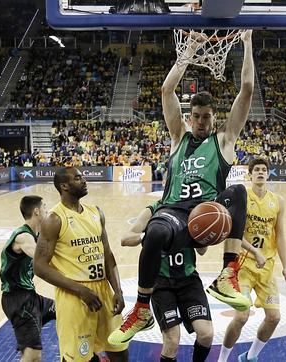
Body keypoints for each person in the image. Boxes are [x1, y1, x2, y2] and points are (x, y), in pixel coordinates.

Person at [108, 29, 255, 345]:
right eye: (196, 116)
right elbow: (166, 90)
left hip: (203, 215)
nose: (201, 121)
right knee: (157, 233)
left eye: (206, 117)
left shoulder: (224, 142)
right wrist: (187, 53)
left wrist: (247, 43)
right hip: (173, 215)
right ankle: (142, 308)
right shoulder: (178, 138)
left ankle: (228, 274)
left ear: (214, 119)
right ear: (190, 118)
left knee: (240, 192)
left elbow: (246, 89)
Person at [34, 167, 128, 362]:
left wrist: (117, 290)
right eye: (78, 178)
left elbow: (107, 255)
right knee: (78, 358)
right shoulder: (54, 219)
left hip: (103, 291)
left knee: (119, 350)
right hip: (74, 296)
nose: (84, 180)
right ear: (64, 186)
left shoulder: (96, 213)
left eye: (83, 177)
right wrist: (79, 289)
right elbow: (40, 266)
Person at [218, 158, 286, 362]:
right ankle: (223, 359)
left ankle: (250, 357)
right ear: (249, 174)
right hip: (243, 265)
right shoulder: (242, 197)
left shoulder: (278, 201)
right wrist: (255, 251)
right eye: (256, 170)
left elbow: (281, 235)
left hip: (266, 267)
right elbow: (234, 233)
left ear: (268, 174)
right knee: (241, 316)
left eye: (264, 170)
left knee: (274, 317)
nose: (260, 172)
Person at [121, 201, 213, 362]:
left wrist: (204, 229)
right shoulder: (153, 209)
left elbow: (202, 250)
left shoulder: (193, 208)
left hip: (188, 280)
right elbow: (125, 239)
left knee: (206, 334)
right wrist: (150, 237)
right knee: (172, 340)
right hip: (161, 282)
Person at [0, 196, 55, 362]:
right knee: (33, 356)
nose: (48, 210)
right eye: (45, 207)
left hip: (31, 297)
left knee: (66, 309)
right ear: (36, 211)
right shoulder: (23, 237)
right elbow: (43, 259)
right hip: (18, 301)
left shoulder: (35, 235)